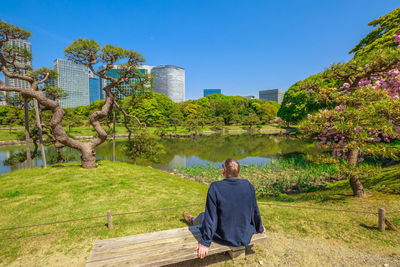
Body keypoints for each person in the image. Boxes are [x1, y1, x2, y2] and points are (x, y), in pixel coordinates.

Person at [183, 158, 265, 259]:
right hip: (243, 235)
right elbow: (255, 211)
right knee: (204, 216)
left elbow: (211, 218)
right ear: (238, 172)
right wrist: (259, 227)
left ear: (223, 171)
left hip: (224, 236)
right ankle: (192, 219)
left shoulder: (215, 187)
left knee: (204, 216)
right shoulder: (248, 185)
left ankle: (192, 219)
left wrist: (205, 242)